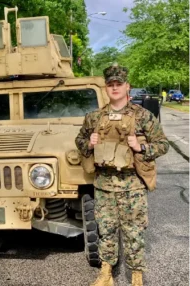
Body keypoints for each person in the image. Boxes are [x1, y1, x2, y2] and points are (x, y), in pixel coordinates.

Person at [75, 64, 169, 286]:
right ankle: (106, 273)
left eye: (119, 84)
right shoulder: (94, 117)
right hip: (103, 184)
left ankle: (136, 274)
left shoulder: (143, 116)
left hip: (132, 185)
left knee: (134, 231)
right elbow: (79, 141)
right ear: (106, 88)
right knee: (106, 230)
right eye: (110, 84)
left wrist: (142, 148)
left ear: (127, 86)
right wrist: (89, 143)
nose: (115, 88)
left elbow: (163, 144)